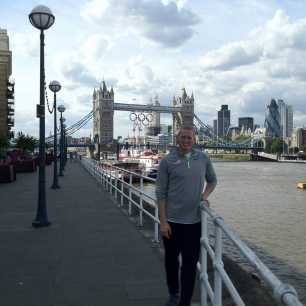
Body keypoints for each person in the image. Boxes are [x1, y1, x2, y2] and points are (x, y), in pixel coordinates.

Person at [156, 126, 217, 306]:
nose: (186, 141)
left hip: (194, 222)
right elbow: (161, 193)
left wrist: (204, 197)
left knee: (190, 265)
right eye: (183, 137)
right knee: (171, 262)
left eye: (189, 138)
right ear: (177, 139)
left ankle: (185, 301)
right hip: (172, 222)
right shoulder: (167, 161)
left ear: (194, 139)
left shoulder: (203, 158)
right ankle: (174, 292)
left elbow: (213, 180)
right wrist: (163, 221)